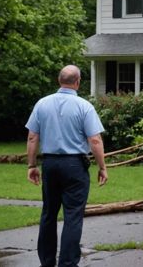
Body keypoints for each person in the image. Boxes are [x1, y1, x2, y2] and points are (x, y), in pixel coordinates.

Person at [26, 65, 108, 267]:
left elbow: (32, 136)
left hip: (50, 163)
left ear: (58, 80)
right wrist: (102, 167)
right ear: (78, 82)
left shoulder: (42, 104)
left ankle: (46, 261)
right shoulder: (84, 106)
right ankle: (68, 263)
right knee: (73, 215)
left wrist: (31, 165)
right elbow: (95, 140)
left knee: (48, 213)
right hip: (74, 165)